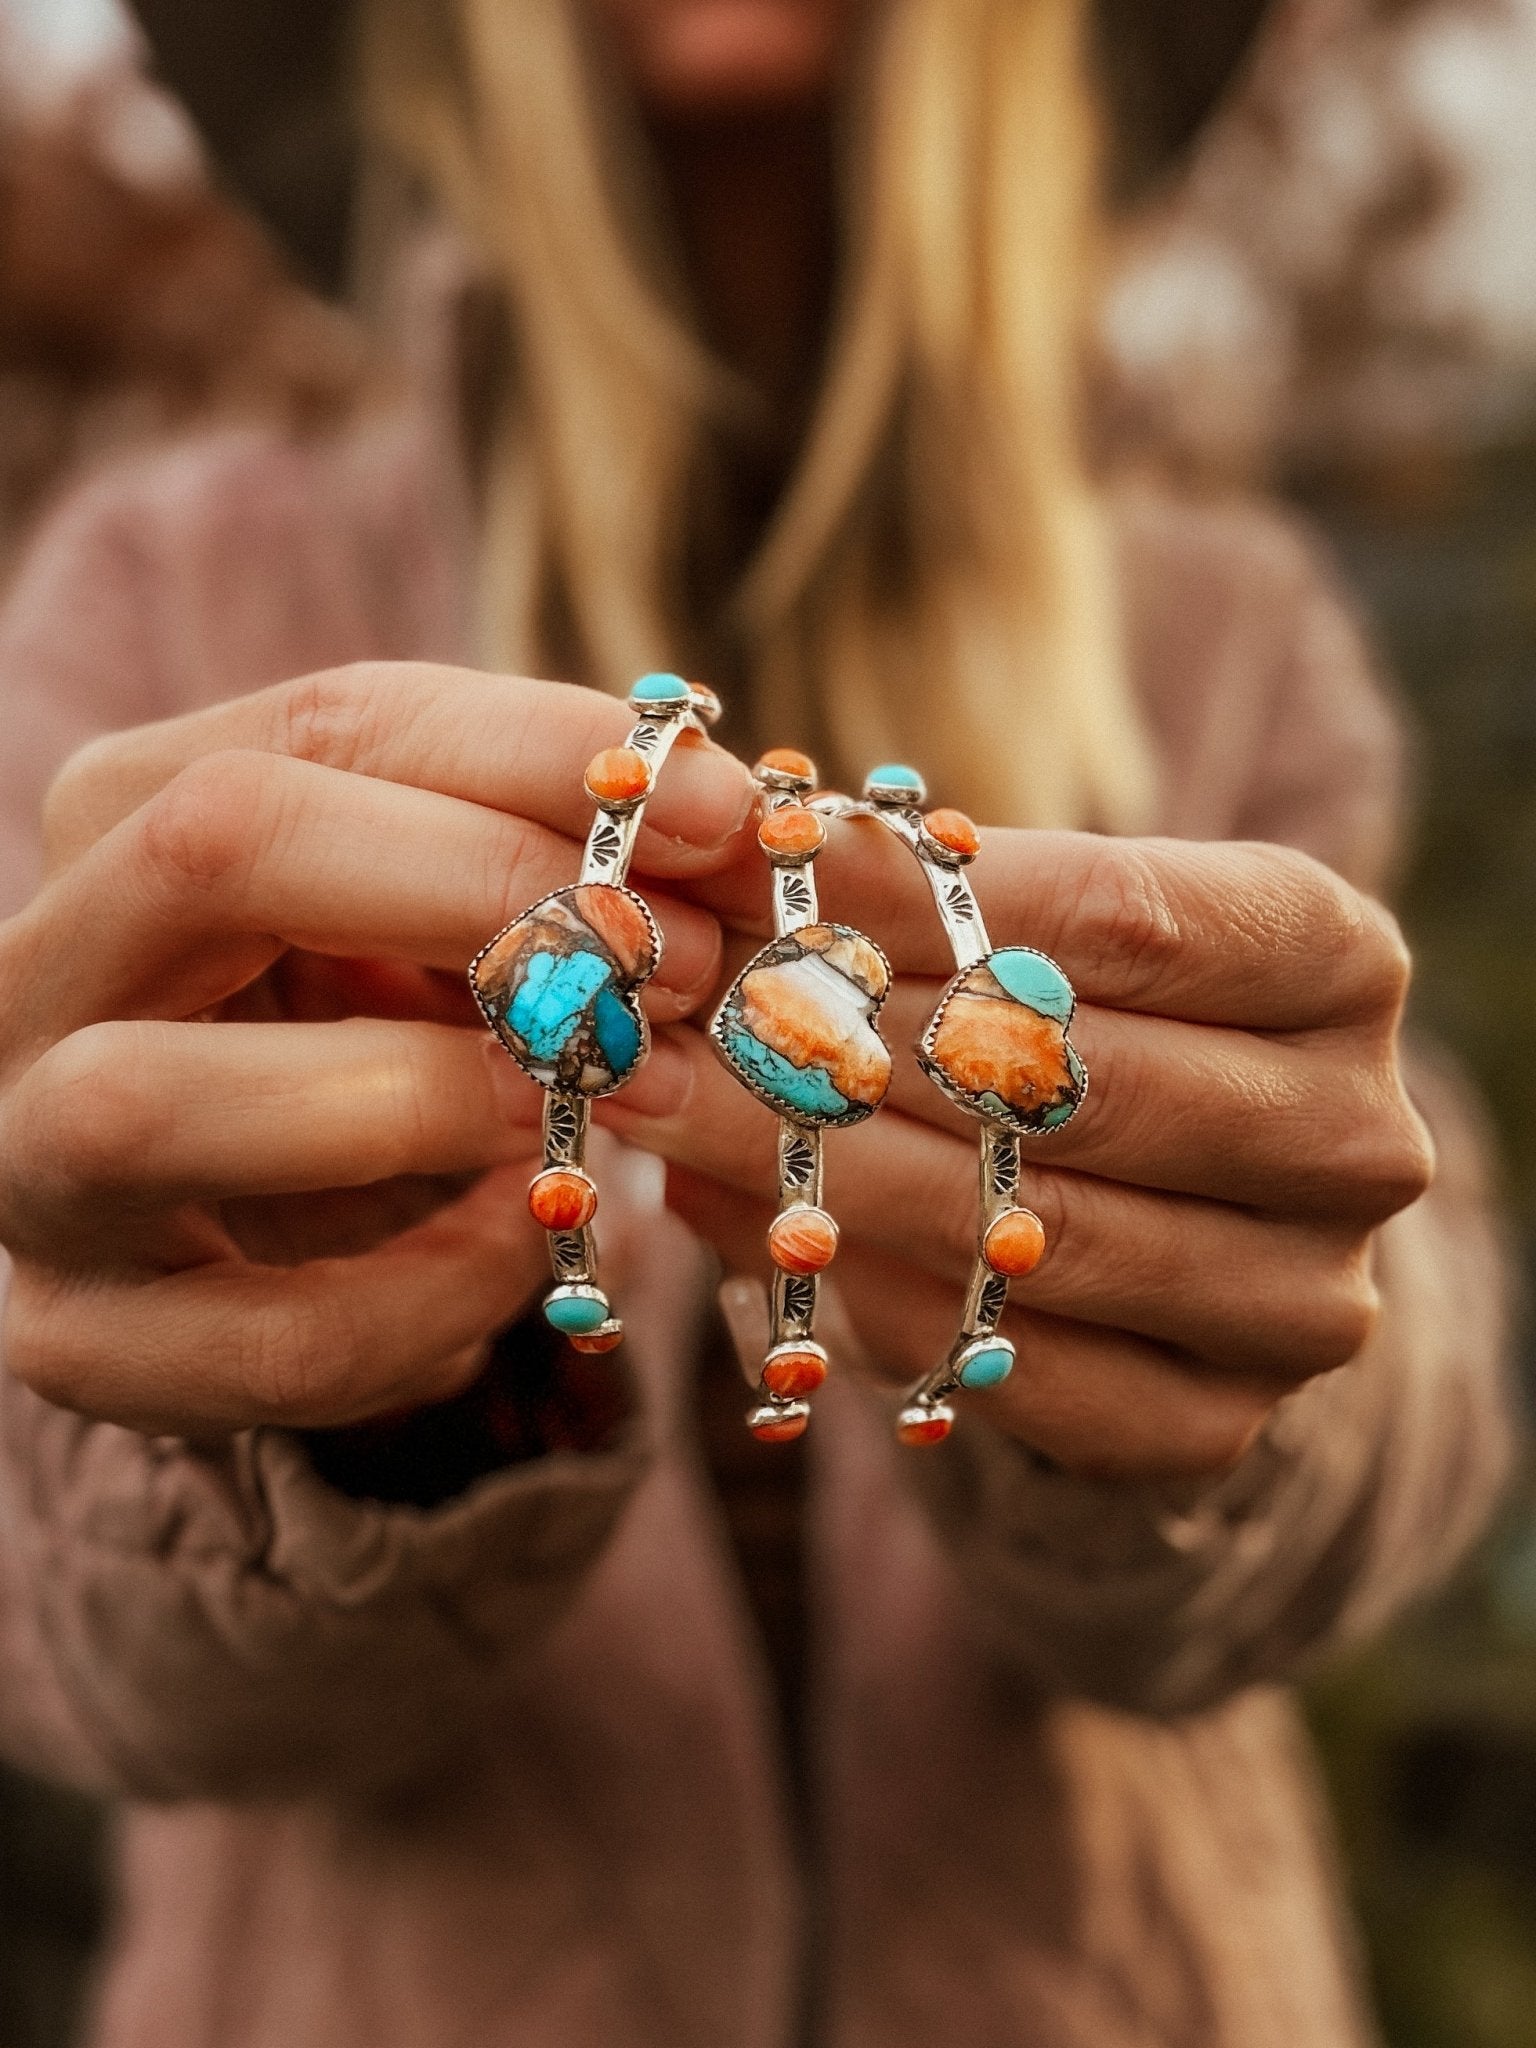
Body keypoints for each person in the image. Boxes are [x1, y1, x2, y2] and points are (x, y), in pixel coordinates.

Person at [0, 2, 1514, 2043]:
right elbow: (81, 1644)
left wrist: (1236, 1348)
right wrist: (343, 1381)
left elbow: (1400, 1391)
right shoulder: (166, 606)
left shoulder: (1224, 634)